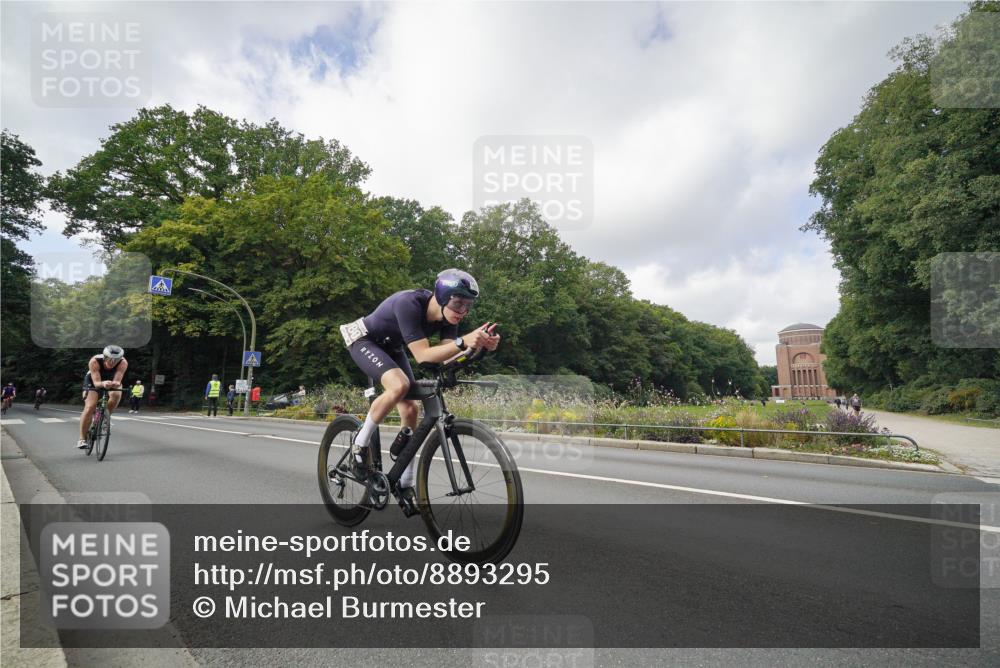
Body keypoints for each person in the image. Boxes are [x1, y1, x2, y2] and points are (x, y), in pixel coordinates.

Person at [339, 269, 500, 495]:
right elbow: (423, 355)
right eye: (458, 303)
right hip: (364, 339)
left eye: (468, 305)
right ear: (443, 297)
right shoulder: (409, 303)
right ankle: (360, 443)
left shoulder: (448, 317)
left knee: (411, 409)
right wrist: (464, 341)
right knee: (399, 385)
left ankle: (405, 483)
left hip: (392, 347)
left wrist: (478, 346)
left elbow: (447, 356)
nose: (462, 311)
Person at [77, 345, 128, 449]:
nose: (113, 362)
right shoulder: (94, 361)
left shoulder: (123, 362)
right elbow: (96, 383)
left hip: (110, 380)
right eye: (110, 359)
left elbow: (118, 380)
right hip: (93, 380)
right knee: (90, 407)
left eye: (116, 360)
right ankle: (82, 439)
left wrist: (114, 383)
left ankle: (105, 418)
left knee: (116, 394)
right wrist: (103, 383)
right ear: (104, 357)